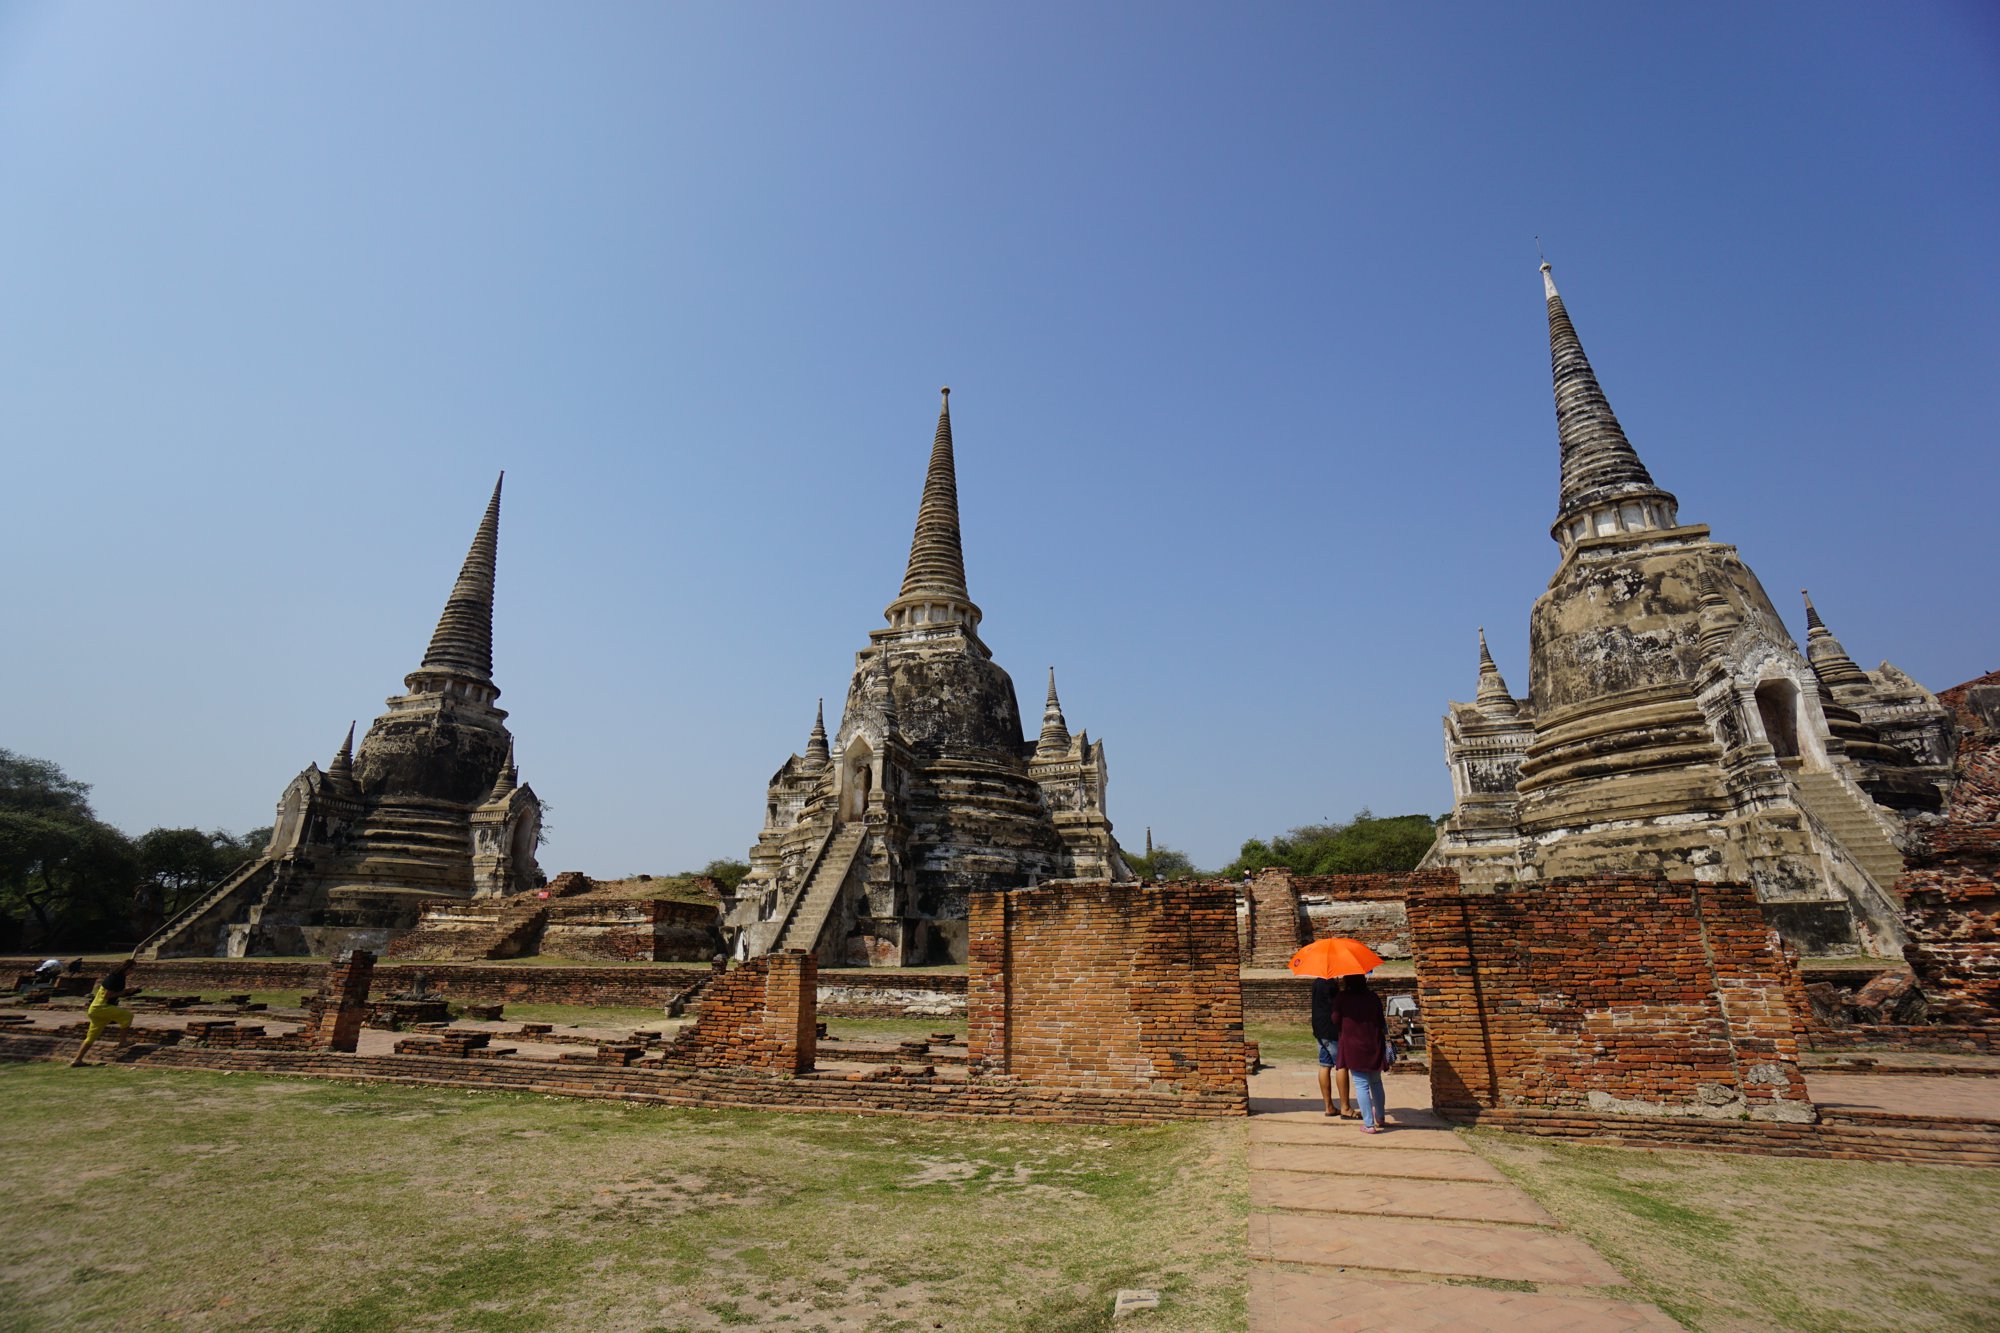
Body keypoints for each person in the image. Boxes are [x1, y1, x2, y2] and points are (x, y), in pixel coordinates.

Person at [1330, 973, 1390, 1132]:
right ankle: (1380, 1116)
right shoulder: (1372, 997)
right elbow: (1380, 1019)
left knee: (1361, 1084)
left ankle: (1369, 1123)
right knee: (1376, 1082)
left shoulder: (1342, 998)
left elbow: (1335, 1020)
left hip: (1353, 1045)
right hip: (1373, 1042)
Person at [70, 961, 141, 1067]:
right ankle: (123, 1042)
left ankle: (77, 1060)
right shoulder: (115, 977)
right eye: (131, 969)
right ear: (126, 968)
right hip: (102, 1007)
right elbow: (108, 995)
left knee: (91, 1037)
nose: (132, 972)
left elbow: (115, 994)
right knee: (127, 1016)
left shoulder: (118, 977)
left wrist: (129, 991)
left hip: (96, 1009)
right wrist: (126, 991)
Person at [1310, 975, 1357, 1118]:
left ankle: (1329, 1106)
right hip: (1331, 1030)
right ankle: (1345, 1107)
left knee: (1325, 1065)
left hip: (1319, 1028)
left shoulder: (1317, 982)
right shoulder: (1329, 984)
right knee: (1341, 1066)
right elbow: (1336, 1007)